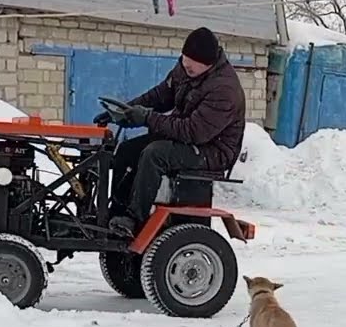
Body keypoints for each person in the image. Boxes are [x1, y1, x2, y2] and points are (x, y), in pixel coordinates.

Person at [93, 26, 247, 235]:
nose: (186, 68)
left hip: (212, 150)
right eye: (184, 61)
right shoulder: (186, 69)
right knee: (127, 150)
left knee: (155, 154)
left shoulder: (224, 89)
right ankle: (116, 213)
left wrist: (147, 118)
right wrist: (125, 110)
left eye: (192, 67)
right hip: (189, 138)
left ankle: (133, 218)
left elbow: (194, 132)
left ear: (208, 65)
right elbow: (159, 96)